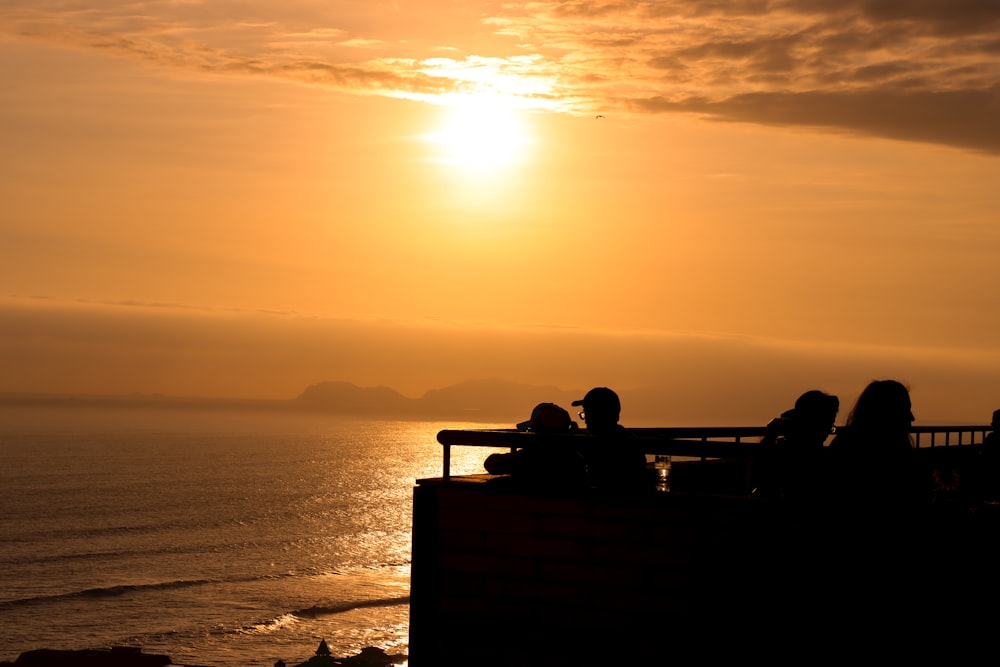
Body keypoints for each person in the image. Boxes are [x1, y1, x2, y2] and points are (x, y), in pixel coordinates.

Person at [829, 380, 920, 503]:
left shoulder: (844, 443)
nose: (911, 417)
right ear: (887, 413)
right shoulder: (891, 452)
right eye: (905, 409)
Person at [752, 390, 839, 499]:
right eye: (829, 425)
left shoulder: (778, 449)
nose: (829, 431)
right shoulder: (816, 458)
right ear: (815, 425)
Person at [483, 402, 586, 487]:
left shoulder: (531, 457)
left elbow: (491, 464)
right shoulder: (574, 457)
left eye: (531, 430)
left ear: (539, 431)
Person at [570, 387, 647, 491]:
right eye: (585, 413)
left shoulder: (609, 445)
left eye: (588, 413)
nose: (586, 420)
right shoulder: (628, 440)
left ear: (600, 415)